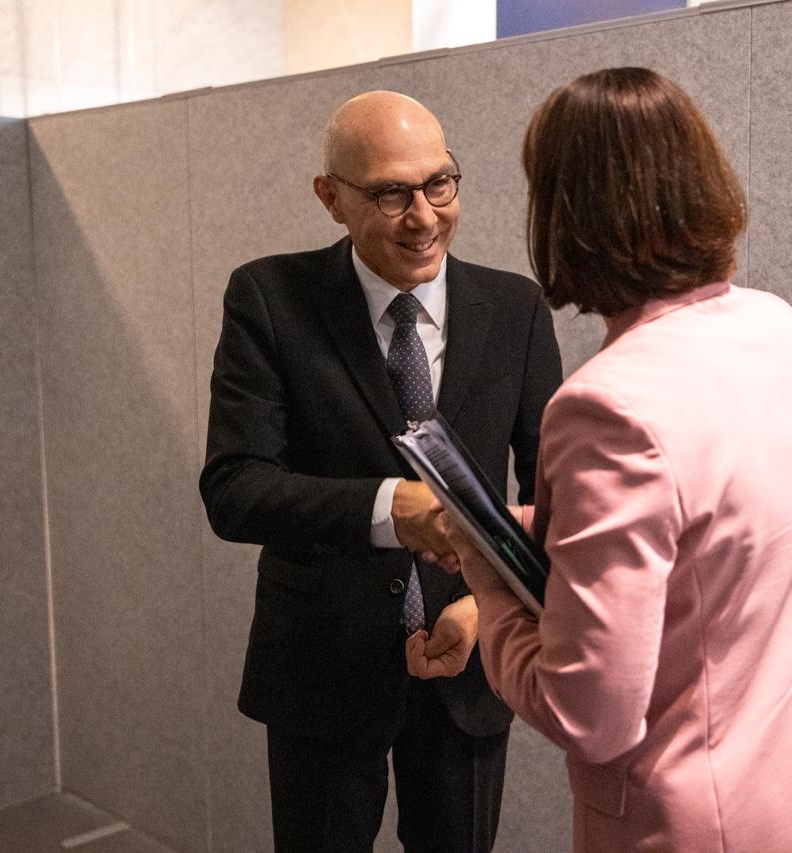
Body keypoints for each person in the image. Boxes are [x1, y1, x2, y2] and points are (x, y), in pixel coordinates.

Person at [443, 68, 792, 851]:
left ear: (568, 214)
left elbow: (590, 714)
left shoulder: (607, 406)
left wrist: (487, 585)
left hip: (701, 825)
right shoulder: (773, 325)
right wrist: (530, 526)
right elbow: (711, 538)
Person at [199, 90, 562, 852]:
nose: (424, 216)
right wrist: (390, 508)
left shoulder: (517, 308)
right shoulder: (269, 298)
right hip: (321, 666)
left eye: (439, 183)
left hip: (469, 667)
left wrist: (487, 607)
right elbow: (235, 489)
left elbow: (552, 504)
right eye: (391, 193)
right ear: (330, 197)